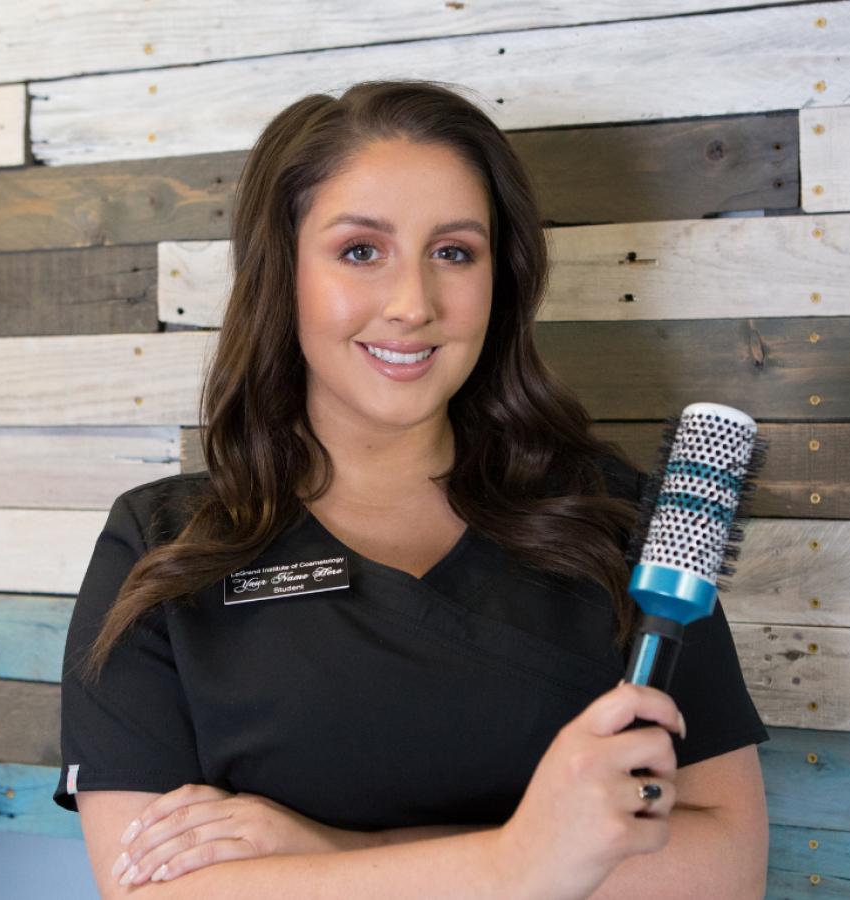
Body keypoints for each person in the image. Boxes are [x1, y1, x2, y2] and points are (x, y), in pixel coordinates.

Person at [51, 79, 771, 898]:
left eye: (454, 252)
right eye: (362, 250)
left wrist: (331, 855)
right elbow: (157, 892)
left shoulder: (619, 526)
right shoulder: (160, 547)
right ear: (281, 271)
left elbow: (724, 870)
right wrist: (518, 861)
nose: (412, 304)